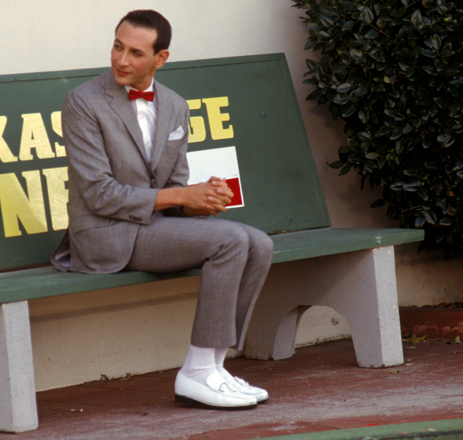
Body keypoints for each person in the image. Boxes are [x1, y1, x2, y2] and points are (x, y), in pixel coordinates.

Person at [51, 9, 273, 409]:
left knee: (259, 243)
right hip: (105, 234)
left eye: (135, 52)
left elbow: (173, 189)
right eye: (118, 46)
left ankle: (214, 366)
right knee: (230, 242)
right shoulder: (83, 102)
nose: (121, 59)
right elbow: (99, 194)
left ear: (161, 58)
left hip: (151, 227)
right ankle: (197, 371)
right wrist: (180, 198)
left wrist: (203, 199)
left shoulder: (174, 106)